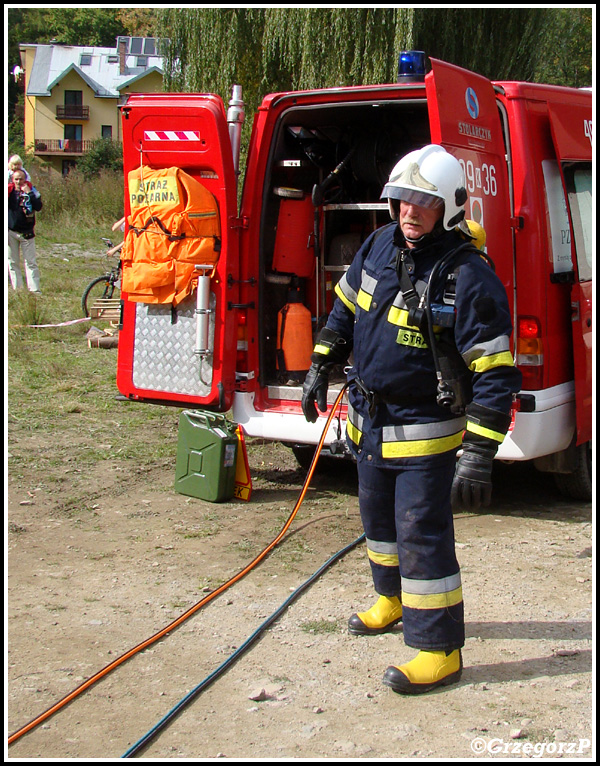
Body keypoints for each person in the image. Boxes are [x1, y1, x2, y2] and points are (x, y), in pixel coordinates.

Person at [302, 144, 521, 694]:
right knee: (378, 526)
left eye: (423, 201)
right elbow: (344, 309)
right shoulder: (378, 245)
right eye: (401, 199)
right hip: (368, 424)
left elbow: (496, 373)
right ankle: (391, 600)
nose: (408, 211)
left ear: (449, 206)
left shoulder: (469, 278)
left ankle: (439, 648)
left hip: (425, 439)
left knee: (422, 537)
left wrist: (477, 456)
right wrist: (320, 364)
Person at [8, 169, 43, 294]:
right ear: (12, 179)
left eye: (21, 179)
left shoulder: (31, 190)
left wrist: (29, 194)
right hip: (11, 232)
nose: (18, 181)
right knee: (12, 262)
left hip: (26, 233)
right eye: (16, 179)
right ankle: (18, 290)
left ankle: (34, 290)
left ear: (25, 179)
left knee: (30, 262)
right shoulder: (9, 192)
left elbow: (38, 206)